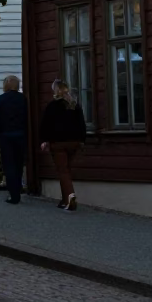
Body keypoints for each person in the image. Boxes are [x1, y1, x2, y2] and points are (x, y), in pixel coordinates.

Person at [40, 79, 87, 211]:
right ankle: (64, 199)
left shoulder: (52, 106)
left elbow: (45, 125)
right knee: (66, 170)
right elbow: (81, 124)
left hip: (58, 143)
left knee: (62, 170)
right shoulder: (74, 105)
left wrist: (44, 140)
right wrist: (82, 140)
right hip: (74, 142)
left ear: (55, 90)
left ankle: (70, 196)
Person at [0, 75, 29, 204]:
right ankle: (19, 188)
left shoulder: (0, 99)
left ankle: (14, 195)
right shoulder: (23, 99)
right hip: (21, 134)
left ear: (6, 85)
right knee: (18, 164)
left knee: (9, 165)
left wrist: (1, 126)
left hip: (6, 135)